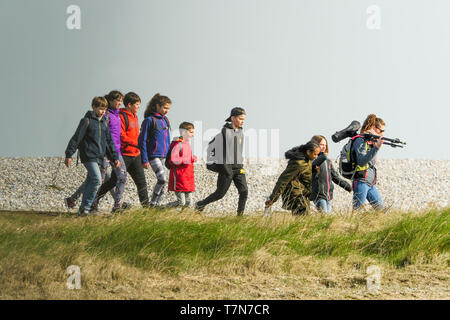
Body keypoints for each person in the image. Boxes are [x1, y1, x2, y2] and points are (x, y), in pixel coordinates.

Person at [64, 96, 120, 216]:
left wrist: (115, 158)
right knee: (97, 180)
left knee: (90, 181)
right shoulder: (86, 121)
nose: (102, 112)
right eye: (100, 109)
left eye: (104, 110)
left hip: (100, 157)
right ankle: (87, 207)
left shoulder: (104, 122)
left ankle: (82, 210)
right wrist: (69, 155)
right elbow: (76, 138)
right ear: (93, 107)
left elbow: (109, 142)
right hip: (88, 156)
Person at [93, 92, 150, 210]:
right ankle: (94, 201)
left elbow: (136, 134)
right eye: (137, 105)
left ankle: (146, 208)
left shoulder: (135, 116)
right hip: (124, 154)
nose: (139, 107)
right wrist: (136, 143)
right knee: (112, 181)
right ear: (129, 105)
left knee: (141, 182)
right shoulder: (121, 116)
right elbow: (121, 135)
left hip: (136, 154)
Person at [195, 107, 248, 216]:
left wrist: (241, 163)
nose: (242, 121)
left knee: (244, 191)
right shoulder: (224, 134)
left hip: (238, 167)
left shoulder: (241, 132)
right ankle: (200, 204)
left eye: (244, 119)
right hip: (226, 168)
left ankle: (240, 217)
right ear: (233, 118)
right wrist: (224, 168)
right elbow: (215, 151)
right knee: (220, 194)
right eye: (240, 119)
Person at [265, 141, 320, 215]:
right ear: (308, 152)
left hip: (303, 195)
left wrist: (314, 171)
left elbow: (304, 175)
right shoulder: (298, 163)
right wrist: (273, 198)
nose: (316, 157)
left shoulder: (307, 160)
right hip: (297, 197)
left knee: (304, 222)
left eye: (317, 154)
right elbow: (283, 180)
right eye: (315, 154)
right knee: (303, 221)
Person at [138, 93, 172, 207]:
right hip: (153, 156)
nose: (167, 110)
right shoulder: (149, 120)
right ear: (157, 106)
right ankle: (153, 204)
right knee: (162, 179)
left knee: (164, 181)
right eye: (165, 107)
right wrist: (144, 159)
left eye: (168, 108)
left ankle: (156, 205)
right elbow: (142, 140)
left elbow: (167, 139)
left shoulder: (166, 120)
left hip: (164, 156)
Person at [309, 135, 352, 214]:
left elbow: (335, 177)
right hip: (318, 195)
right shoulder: (311, 160)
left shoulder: (328, 161)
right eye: (322, 145)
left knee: (326, 219)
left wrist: (348, 186)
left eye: (325, 145)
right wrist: (321, 158)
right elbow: (311, 168)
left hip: (329, 196)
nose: (324, 147)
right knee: (324, 216)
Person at [351, 114, 385, 211]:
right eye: (380, 131)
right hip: (361, 181)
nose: (382, 134)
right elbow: (361, 161)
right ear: (373, 127)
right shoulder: (360, 140)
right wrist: (376, 148)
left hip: (370, 183)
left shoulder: (370, 141)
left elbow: (370, 162)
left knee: (382, 211)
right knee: (358, 212)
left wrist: (374, 146)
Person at [166, 122, 197, 208]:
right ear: (183, 132)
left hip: (187, 177)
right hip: (179, 176)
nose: (192, 134)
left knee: (189, 203)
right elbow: (173, 160)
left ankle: (183, 217)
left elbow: (186, 157)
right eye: (191, 132)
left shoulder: (187, 143)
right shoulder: (177, 144)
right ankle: (161, 209)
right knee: (181, 202)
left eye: (193, 132)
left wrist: (192, 157)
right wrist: (188, 159)